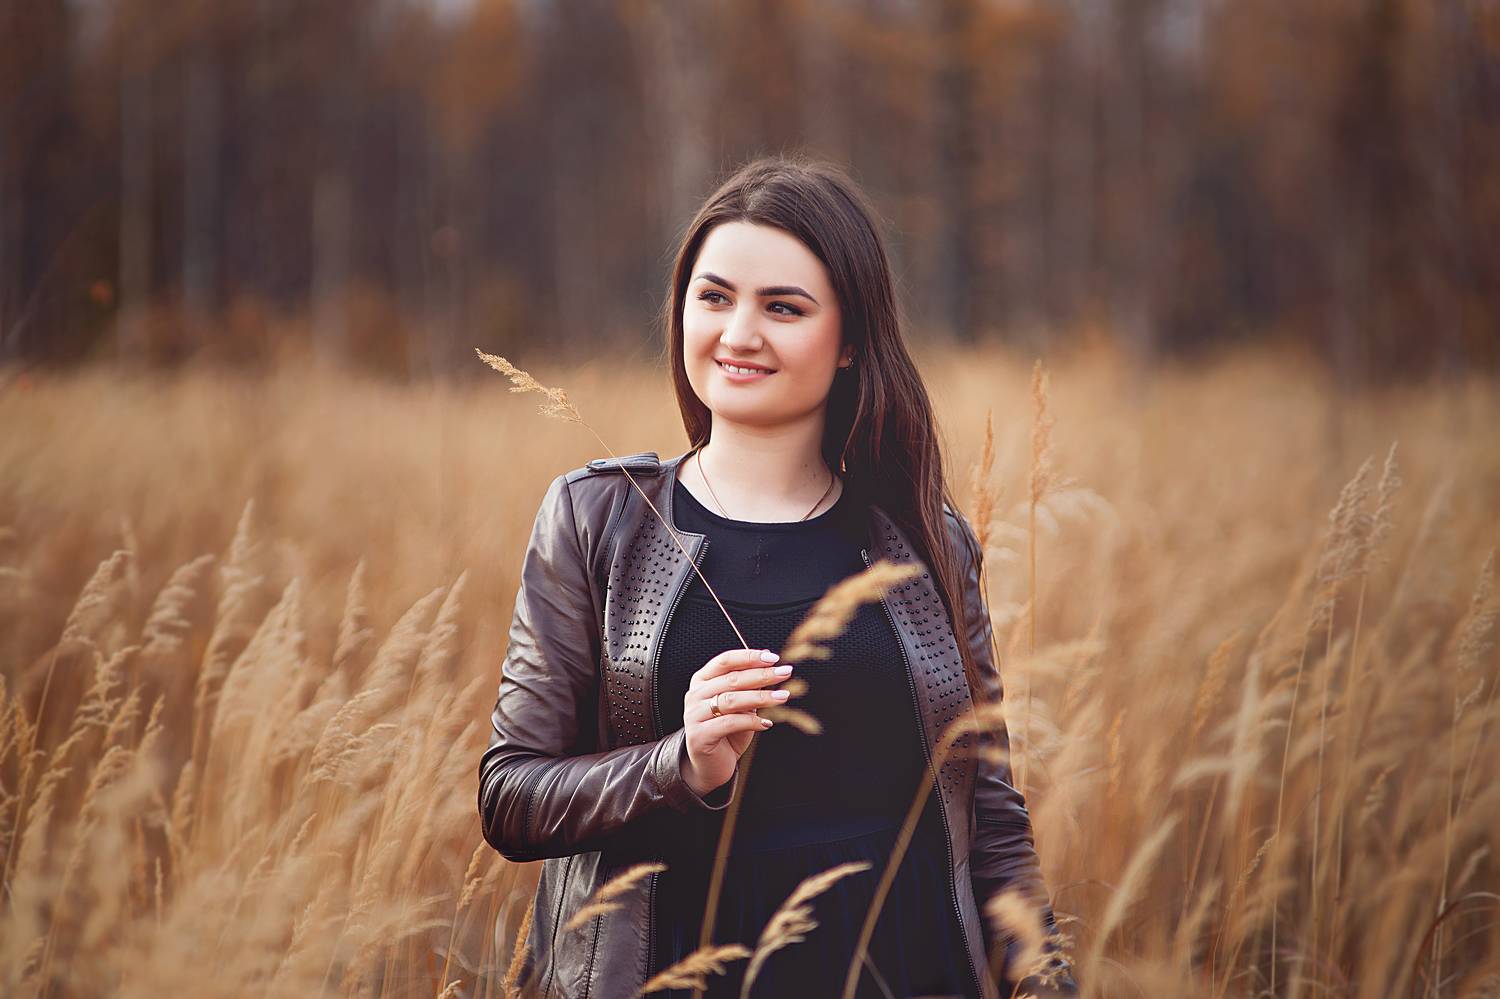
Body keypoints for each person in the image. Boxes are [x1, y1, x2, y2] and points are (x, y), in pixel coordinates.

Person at [479, 154, 1077, 999]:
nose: (738, 333)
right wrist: (679, 761)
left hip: (904, 970)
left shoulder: (921, 540)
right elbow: (511, 795)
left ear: (851, 342)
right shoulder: (598, 519)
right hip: (677, 974)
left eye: (783, 307)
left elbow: (989, 807)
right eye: (714, 297)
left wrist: (1045, 982)